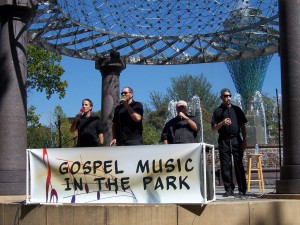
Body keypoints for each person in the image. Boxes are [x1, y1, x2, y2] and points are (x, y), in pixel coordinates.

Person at [211, 88, 247, 197]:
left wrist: (245, 140)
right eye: (225, 96)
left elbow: (243, 126)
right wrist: (222, 122)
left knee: (238, 164)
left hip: (236, 139)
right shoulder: (217, 111)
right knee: (225, 164)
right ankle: (229, 189)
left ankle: (242, 189)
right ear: (221, 97)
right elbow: (214, 128)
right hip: (224, 139)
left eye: (229, 95)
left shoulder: (237, 109)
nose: (228, 98)